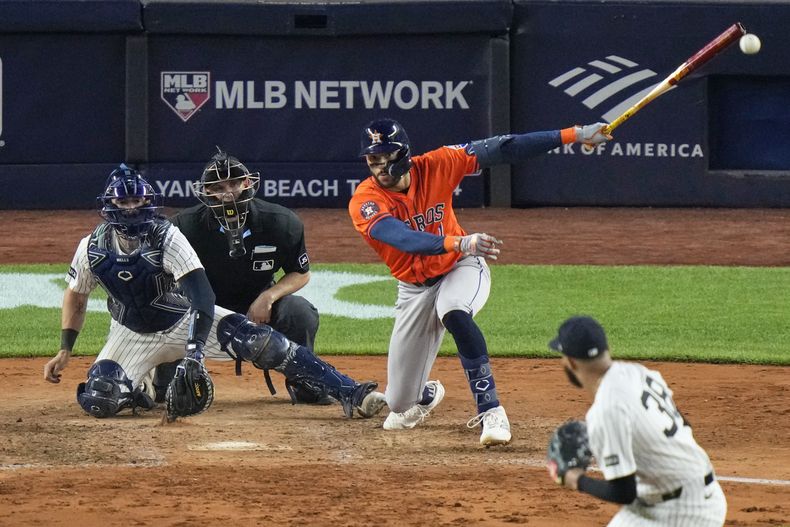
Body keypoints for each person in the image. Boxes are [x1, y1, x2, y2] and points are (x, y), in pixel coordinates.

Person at [43, 164, 386, 421]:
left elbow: (202, 297)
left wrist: (193, 353)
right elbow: (76, 295)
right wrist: (64, 349)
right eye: (124, 201)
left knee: (261, 342)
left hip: (182, 319)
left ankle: (349, 391)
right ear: (109, 204)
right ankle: (141, 389)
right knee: (100, 400)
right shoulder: (91, 248)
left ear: (149, 201)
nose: (132, 208)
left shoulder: (168, 236)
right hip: (131, 332)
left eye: (138, 199)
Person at [348, 118, 611, 445]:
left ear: (404, 153)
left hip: (461, 267)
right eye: (373, 158)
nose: (381, 165)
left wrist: (575, 134)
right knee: (400, 402)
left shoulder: (438, 164)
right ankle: (426, 395)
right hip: (415, 288)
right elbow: (401, 238)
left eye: (387, 155)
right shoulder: (365, 200)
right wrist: (456, 241)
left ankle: (492, 411)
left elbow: (503, 147)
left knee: (454, 311)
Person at [166, 149, 331, 405]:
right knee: (167, 308)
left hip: (257, 307)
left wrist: (269, 296)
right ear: (206, 191)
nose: (228, 193)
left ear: (247, 183)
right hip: (202, 307)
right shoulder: (184, 227)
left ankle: (305, 381)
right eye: (218, 187)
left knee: (299, 311)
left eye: (233, 183)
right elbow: (165, 279)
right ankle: (168, 382)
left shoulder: (281, 222)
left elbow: (301, 272)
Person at [546, 315, 727, 526]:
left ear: (571, 362)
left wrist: (574, 478)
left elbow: (623, 493)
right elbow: (685, 425)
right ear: (608, 349)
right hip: (679, 496)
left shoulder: (606, 408)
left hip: (684, 512)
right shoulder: (638, 372)